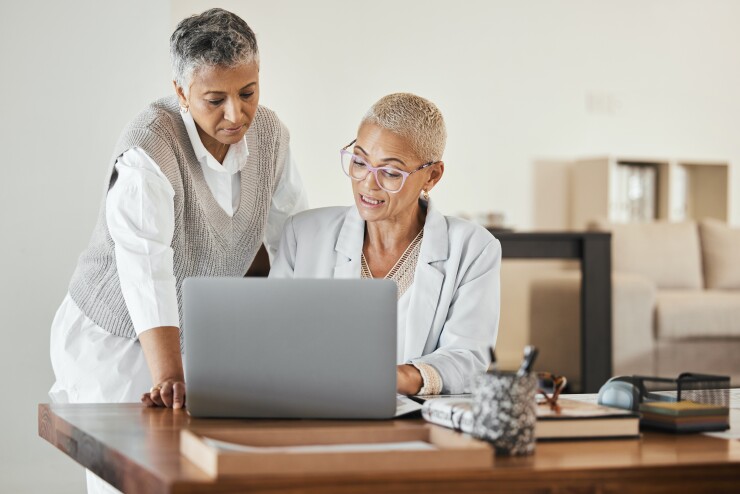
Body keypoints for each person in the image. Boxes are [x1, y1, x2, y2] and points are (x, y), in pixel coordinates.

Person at [49, 9, 307, 491]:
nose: (236, 114)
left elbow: (288, 241)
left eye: (248, 92)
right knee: (130, 482)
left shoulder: (271, 136)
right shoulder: (149, 148)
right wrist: (169, 375)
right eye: (215, 99)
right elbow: (147, 267)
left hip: (194, 335)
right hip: (117, 336)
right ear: (182, 92)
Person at [270, 93, 500, 395]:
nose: (368, 183)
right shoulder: (304, 234)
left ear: (432, 176)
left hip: (417, 424)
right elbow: (274, 340)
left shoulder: (472, 248)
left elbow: (468, 357)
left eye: (391, 172)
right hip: (316, 413)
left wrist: (399, 378)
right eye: (360, 162)